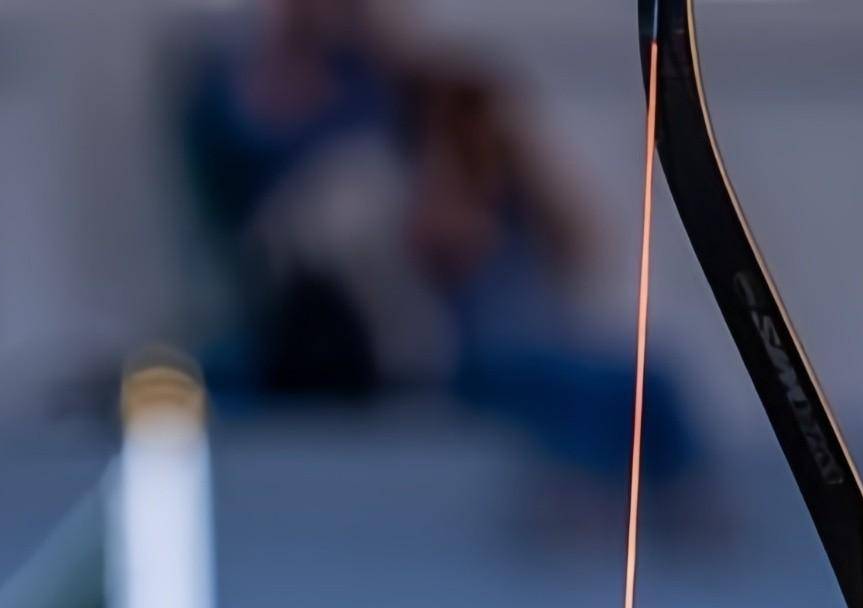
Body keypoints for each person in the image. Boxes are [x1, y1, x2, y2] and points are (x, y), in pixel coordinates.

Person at [181, 0, 698, 496]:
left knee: (645, 387)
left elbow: (571, 242)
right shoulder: (251, 105)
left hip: (484, 335)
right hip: (387, 341)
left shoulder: (422, 95)